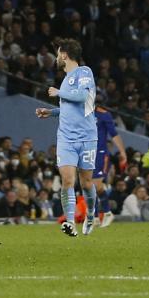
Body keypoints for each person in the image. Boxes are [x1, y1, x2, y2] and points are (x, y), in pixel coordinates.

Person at [35, 37, 99, 236]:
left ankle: (90, 215)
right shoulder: (65, 80)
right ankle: (70, 222)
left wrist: (59, 93)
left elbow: (82, 97)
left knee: (86, 183)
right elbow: (70, 108)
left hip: (87, 137)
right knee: (67, 180)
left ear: (64, 55)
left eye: (57, 54)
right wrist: (51, 112)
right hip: (66, 138)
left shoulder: (84, 72)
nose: (56, 59)